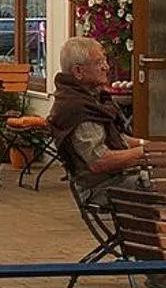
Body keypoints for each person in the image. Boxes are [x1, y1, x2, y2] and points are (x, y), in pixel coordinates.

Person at [49, 36, 145, 206]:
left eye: (105, 60)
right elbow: (99, 162)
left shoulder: (93, 97)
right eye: (99, 62)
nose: (106, 67)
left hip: (118, 179)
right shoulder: (76, 107)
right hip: (102, 187)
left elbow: (117, 139)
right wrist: (144, 153)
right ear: (78, 71)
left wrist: (150, 145)